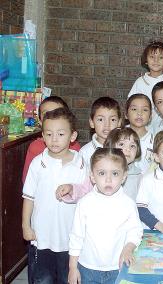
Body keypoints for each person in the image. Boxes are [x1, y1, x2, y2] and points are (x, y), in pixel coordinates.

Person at [22, 108, 87, 283]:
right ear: (42, 136)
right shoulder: (38, 163)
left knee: (68, 278)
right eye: (49, 134)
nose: (54, 139)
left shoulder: (80, 162)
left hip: (70, 236)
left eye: (60, 134)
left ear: (72, 136)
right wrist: (25, 226)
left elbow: (86, 196)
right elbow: (29, 197)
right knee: (42, 279)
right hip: (42, 236)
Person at [67, 148, 143, 284]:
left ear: (124, 176)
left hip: (117, 267)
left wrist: (128, 247)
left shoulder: (128, 203)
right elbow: (76, 236)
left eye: (115, 173)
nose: (108, 179)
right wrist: (73, 267)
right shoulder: (85, 203)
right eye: (101, 173)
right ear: (92, 176)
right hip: (87, 268)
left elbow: (135, 230)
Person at [56, 128, 144, 203]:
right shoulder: (101, 171)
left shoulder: (139, 176)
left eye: (132, 146)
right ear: (110, 147)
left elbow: (141, 204)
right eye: (121, 144)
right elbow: (84, 190)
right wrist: (71, 189)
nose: (128, 149)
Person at [22, 96, 81, 183]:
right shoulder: (35, 147)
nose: (53, 119)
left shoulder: (75, 147)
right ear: (40, 122)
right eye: (47, 114)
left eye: (58, 113)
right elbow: (28, 181)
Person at [80, 97, 122, 169]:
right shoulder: (85, 152)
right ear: (92, 122)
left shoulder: (124, 148)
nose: (107, 125)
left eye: (112, 119)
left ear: (119, 123)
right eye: (100, 119)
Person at [125, 94, 153, 173]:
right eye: (134, 109)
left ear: (150, 116)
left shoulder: (155, 141)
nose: (139, 113)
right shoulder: (117, 136)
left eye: (145, 110)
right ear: (126, 114)